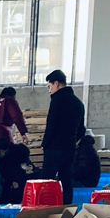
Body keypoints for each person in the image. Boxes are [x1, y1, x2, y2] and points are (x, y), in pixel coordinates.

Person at [40, 69, 85, 203]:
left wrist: (45, 145)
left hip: (54, 149)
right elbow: (81, 129)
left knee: (46, 181)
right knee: (66, 182)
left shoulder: (57, 100)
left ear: (56, 83)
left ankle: (44, 209)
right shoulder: (78, 103)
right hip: (70, 149)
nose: (49, 90)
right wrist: (72, 142)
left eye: (49, 86)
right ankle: (67, 210)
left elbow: (51, 125)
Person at [0, 138, 33, 204]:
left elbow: (6, 177)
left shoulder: (5, 160)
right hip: (31, 183)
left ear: (1, 151)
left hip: (17, 188)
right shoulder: (22, 153)